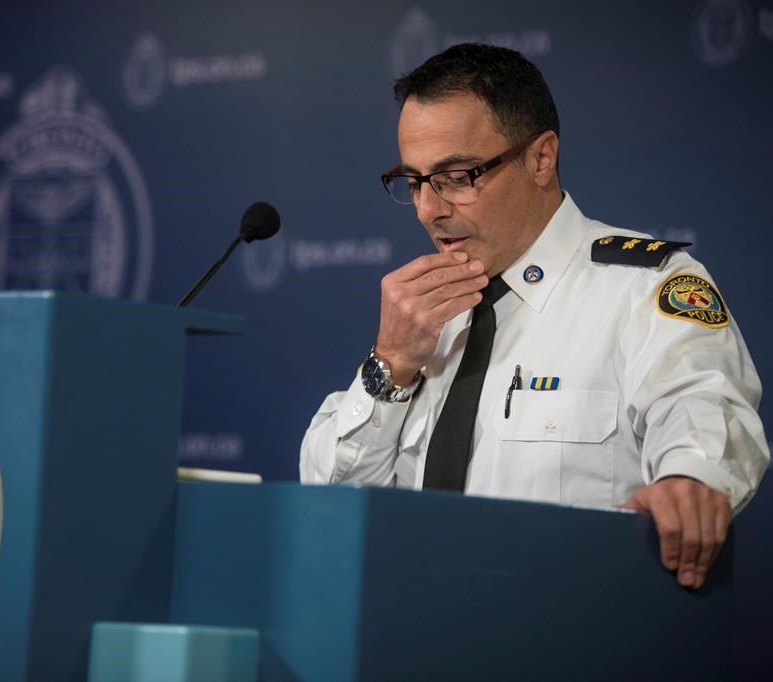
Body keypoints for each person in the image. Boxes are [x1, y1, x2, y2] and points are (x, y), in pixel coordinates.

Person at [299, 43, 768, 590]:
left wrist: (690, 480)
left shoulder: (644, 288)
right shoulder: (426, 313)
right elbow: (325, 502)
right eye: (414, 182)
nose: (429, 209)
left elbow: (701, 410)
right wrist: (390, 365)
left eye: (458, 176)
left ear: (541, 159)